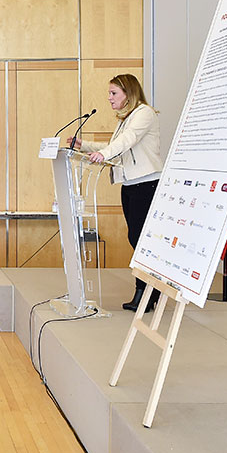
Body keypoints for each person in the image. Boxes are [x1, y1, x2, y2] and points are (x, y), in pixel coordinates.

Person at [68, 74, 162, 313]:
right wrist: (84, 145)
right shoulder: (126, 118)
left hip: (146, 184)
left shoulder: (144, 113)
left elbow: (127, 142)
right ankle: (151, 290)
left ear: (128, 93)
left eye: (113, 94)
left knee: (141, 240)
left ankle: (146, 291)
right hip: (130, 184)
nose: (109, 99)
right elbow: (113, 144)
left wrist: (105, 155)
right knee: (135, 238)